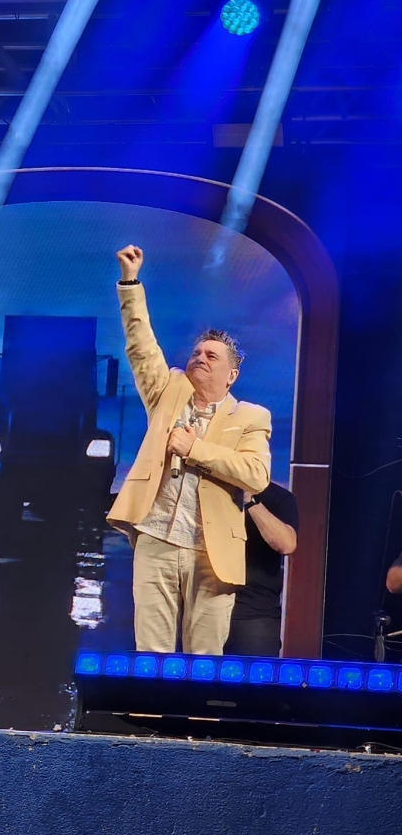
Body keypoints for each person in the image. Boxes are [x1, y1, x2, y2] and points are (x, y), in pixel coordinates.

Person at [107, 245, 271, 655]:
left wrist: (195, 448)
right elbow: (141, 346)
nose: (200, 358)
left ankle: (198, 704)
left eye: (211, 356)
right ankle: (149, 701)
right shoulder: (169, 392)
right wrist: (130, 282)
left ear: (232, 375)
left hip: (212, 552)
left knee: (204, 658)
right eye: (196, 352)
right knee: (152, 652)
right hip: (156, 538)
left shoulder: (250, 416)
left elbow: (255, 475)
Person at [224, 482, 299, 657]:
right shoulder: (208, 489)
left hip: (253, 613)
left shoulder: (279, 497)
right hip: (204, 605)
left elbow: (287, 544)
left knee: (254, 674)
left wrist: (250, 502)